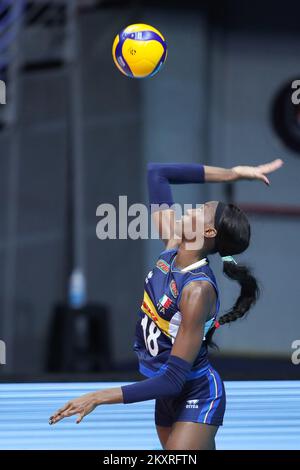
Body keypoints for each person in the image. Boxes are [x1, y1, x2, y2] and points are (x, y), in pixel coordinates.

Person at [49, 158, 283, 450]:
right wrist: (234, 175)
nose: (192, 209)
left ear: (208, 233)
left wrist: (98, 397)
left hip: (194, 391)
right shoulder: (172, 248)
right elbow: (157, 173)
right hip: (165, 395)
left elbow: (174, 379)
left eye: (201, 210)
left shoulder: (197, 290)